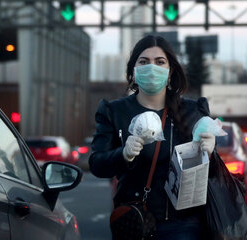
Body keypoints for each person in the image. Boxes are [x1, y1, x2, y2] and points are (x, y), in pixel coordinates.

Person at [89, 35, 216, 240]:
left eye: (160, 62)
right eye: (144, 61)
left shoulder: (193, 111)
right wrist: (124, 154)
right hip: (134, 223)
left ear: (170, 71)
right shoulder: (114, 111)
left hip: (183, 225)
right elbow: (96, 164)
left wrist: (210, 153)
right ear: (134, 70)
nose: (152, 67)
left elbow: (211, 174)